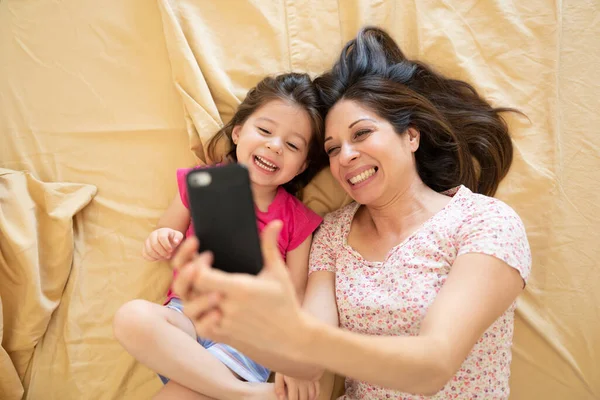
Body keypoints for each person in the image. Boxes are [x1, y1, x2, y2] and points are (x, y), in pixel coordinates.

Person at [170, 26, 532, 400]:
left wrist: (300, 333)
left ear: (411, 136)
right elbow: (305, 366)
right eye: (332, 148)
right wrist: (247, 323)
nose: (345, 157)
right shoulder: (332, 234)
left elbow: (433, 367)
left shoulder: (485, 221)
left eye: (361, 134)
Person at [113, 72, 326, 400]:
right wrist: (163, 239)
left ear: (301, 166)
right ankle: (245, 394)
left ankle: (235, 389)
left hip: (247, 332)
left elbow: (295, 297)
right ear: (238, 133)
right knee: (131, 317)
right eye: (265, 131)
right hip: (187, 316)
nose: (274, 145)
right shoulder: (201, 182)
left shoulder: (299, 220)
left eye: (292, 144)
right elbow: (165, 232)